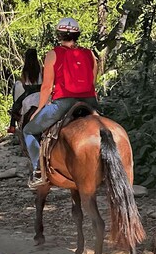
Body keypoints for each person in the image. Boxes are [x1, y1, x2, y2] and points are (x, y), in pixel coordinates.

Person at [23, 17, 100, 188]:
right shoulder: (90, 54)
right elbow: (93, 82)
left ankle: (37, 170)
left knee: (28, 130)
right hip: (90, 101)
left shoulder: (53, 54)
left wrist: (39, 109)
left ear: (59, 35)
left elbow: (46, 87)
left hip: (64, 102)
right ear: (77, 35)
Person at [8, 48, 43, 133]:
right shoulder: (41, 68)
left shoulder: (26, 69)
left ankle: (12, 126)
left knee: (16, 106)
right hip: (39, 90)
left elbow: (23, 82)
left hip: (29, 91)